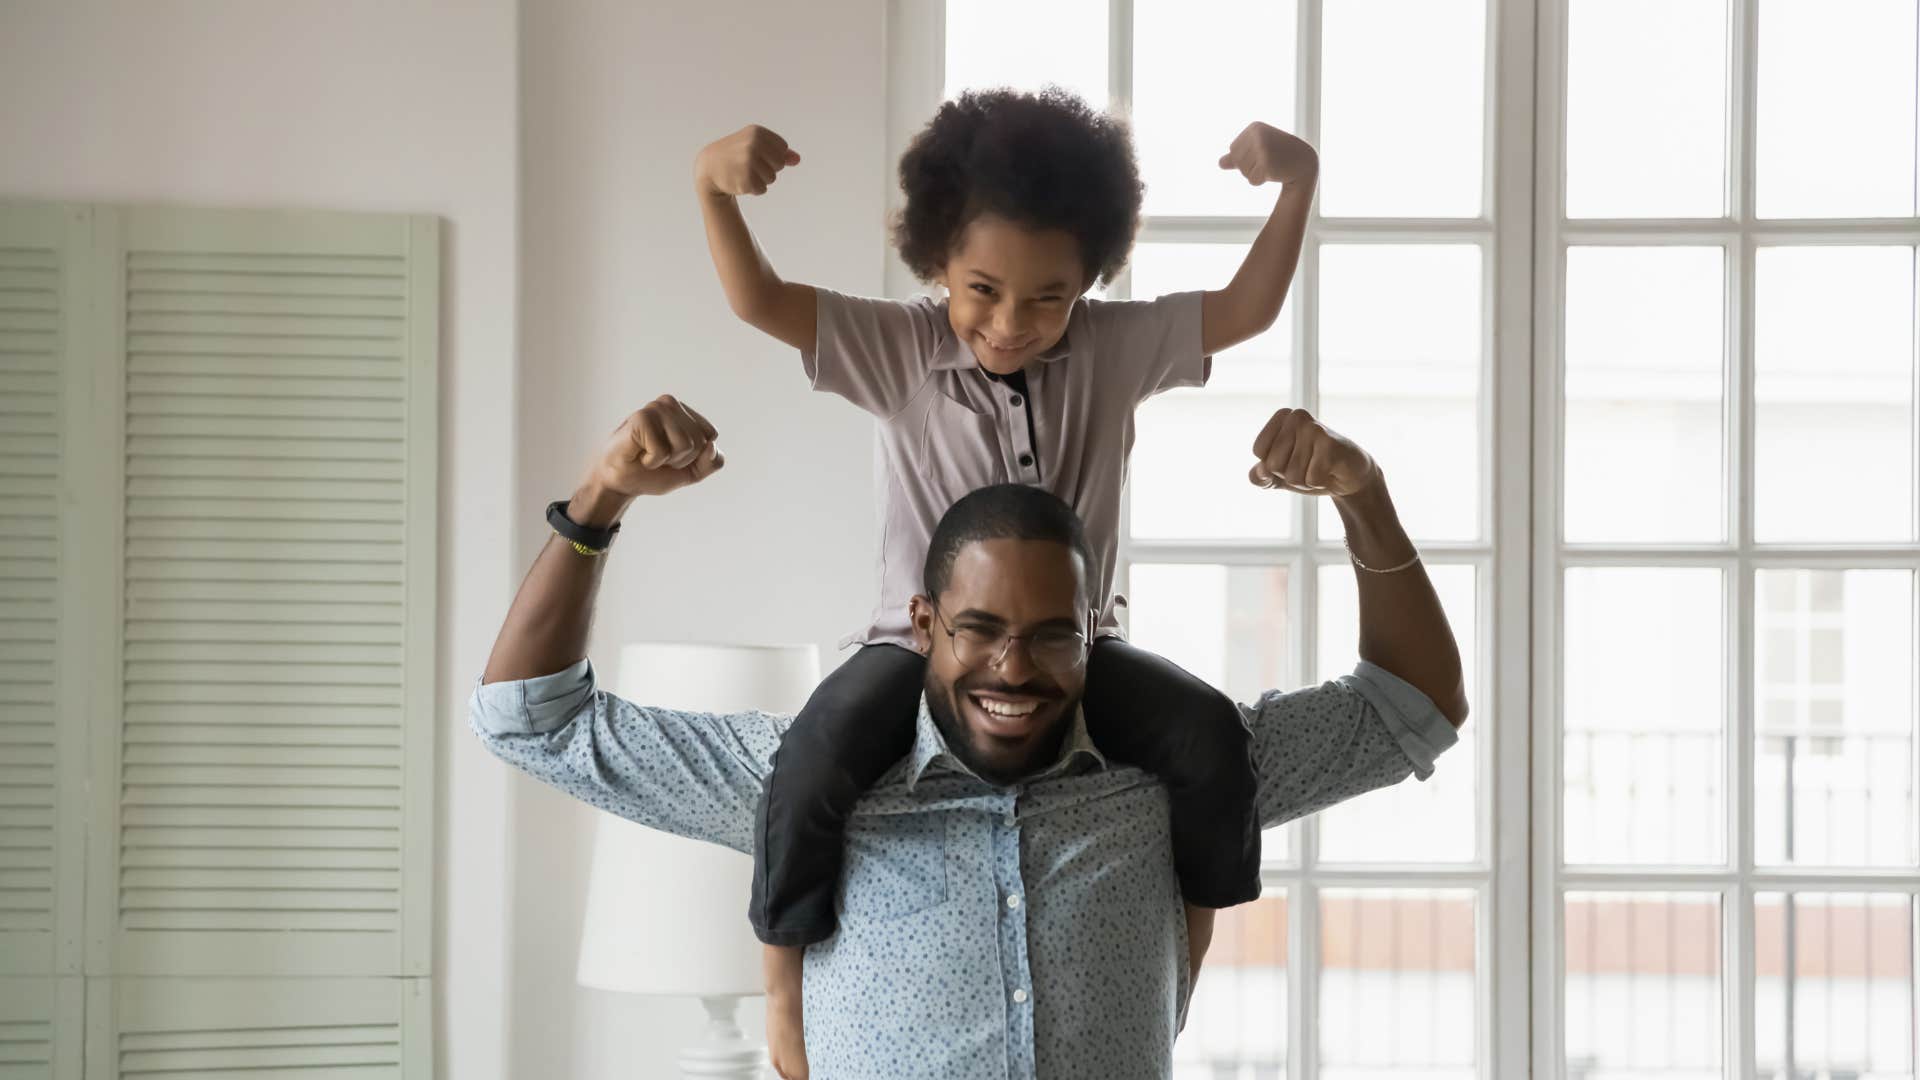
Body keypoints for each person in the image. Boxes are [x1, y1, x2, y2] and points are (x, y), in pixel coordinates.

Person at [473, 394, 1468, 1080]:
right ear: (921, 628)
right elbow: (531, 719)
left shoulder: (1175, 773)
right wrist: (598, 503)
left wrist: (1362, 494)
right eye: (980, 631)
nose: (1014, 669)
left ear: (1094, 636)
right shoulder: (807, 778)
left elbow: (1414, 706)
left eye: (1050, 637)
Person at [692, 87, 1322, 1066]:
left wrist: (1297, 186)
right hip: (918, 654)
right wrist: (713, 191)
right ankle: (780, 988)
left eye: (1049, 297)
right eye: (982, 289)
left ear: (1090, 281)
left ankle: (1185, 954)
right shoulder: (897, 349)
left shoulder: (1115, 350)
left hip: (1082, 654)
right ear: (938, 259)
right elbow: (759, 301)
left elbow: (1244, 310)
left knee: (1209, 739)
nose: (1012, 323)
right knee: (808, 764)